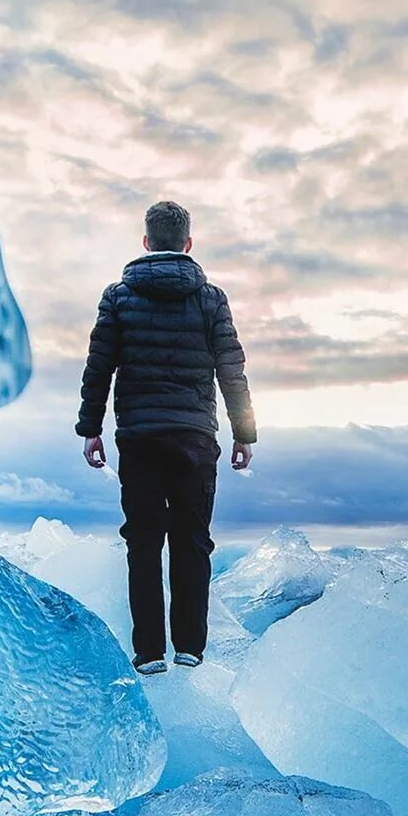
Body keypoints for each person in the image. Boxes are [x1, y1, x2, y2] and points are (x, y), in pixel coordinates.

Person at [75, 199, 255, 674]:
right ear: (188, 244)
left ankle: (149, 651)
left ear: (146, 242)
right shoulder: (211, 298)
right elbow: (230, 370)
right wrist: (244, 433)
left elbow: (100, 369)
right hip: (195, 436)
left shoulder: (118, 297)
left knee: (143, 542)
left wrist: (90, 428)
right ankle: (190, 647)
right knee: (192, 540)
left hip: (138, 436)